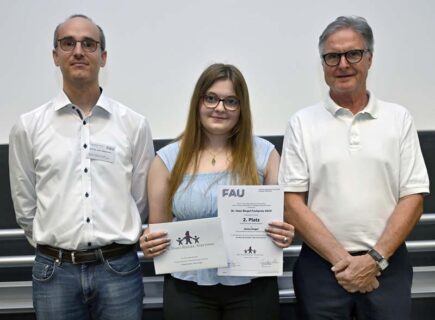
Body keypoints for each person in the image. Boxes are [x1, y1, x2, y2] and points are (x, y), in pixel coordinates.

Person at [278, 16, 430, 319]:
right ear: (323, 65)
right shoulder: (301, 123)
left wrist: (373, 260)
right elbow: (291, 203)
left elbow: (413, 198)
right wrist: (345, 263)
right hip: (322, 269)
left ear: (370, 59)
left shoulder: (398, 119)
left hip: (387, 266)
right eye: (332, 57)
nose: (343, 64)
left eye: (354, 54)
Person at [9, 14, 154, 320]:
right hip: (54, 273)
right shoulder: (28, 127)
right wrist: (55, 245)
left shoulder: (134, 125)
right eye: (68, 43)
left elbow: (139, 200)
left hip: (118, 269)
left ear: (102, 57)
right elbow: (25, 205)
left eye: (88, 44)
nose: (78, 51)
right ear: (55, 55)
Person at [139, 63, 294, 319]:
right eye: (211, 98)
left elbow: (279, 222)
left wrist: (285, 233)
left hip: (253, 286)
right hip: (187, 287)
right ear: (198, 102)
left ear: (241, 108)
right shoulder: (167, 160)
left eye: (231, 101)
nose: (220, 108)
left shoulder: (266, 155)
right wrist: (150, 242)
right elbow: (159, 232)